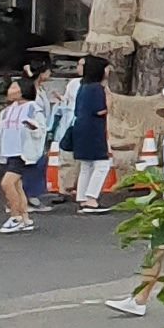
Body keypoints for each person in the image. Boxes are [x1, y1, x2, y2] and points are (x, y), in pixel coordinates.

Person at [0, 72, 49, 234]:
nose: (10, 90)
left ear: (23, 90)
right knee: (17, 186)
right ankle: (25, 218)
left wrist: (32, 127)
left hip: (22, 152)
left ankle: (15, 217)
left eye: (14, 87)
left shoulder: (33, 108)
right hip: (10, 150)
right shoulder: (7, 111)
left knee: (7, 183)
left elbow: (41, 128)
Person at [59, 55, 113, 212]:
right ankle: (91, 198)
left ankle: (82, 197)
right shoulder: (97, 88)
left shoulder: (83, 86)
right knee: (102, 164)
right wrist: (109, 100)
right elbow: (101, 110)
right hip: (93, 129)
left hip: (80, 128)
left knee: (86, 165)